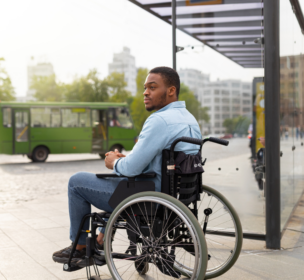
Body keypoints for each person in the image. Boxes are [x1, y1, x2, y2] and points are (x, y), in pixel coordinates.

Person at [52, 66, 202, 266]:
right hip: (176, 194)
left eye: (152, 87)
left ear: (171, 90)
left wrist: (114, 161)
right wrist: (127, 159)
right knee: (119, 177)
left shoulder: (159, 120)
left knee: (76, 182)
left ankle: (79, 247)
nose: (145, 92)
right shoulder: (189, 119)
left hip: (147, 196)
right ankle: (101, 238)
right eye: (145, 87)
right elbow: (162, 160)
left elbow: (131, 169)